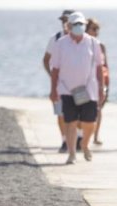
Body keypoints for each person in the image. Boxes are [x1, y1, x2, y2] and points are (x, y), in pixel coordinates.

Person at [49, 12, 105, 164]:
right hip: (67, 90)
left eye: (81, 24)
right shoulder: (60, 43)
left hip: (89, 90)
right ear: (68, 26)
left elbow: (100, 67)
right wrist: (53, 90)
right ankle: (72, 153)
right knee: (70, 122)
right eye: (75, 24)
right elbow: (55, 69)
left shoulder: (93, 43)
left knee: (89, 123)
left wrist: (102, 88)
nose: (79, 27)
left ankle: (85, 144)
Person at [42, 9, 74, 153]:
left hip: (78, 83)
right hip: (59, 84)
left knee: (78, 113)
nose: (64, 23)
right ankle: (64, 141)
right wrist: (52, 77)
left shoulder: (83, 39)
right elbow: (46, 60)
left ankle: (77, 139)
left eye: (67, 20)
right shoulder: (55, 39)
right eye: (63, 20)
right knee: (61, 113)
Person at [86, 18, 109, 145]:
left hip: (100, 81)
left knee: (98, 109)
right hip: (86, 82)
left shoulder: (101, 46)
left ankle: (95, 136)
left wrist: (106, 84)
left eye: (97, 29)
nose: (96, 32)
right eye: (93, 28)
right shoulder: (83, 44)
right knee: (85, 110)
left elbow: (106, 66)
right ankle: (84, 137)